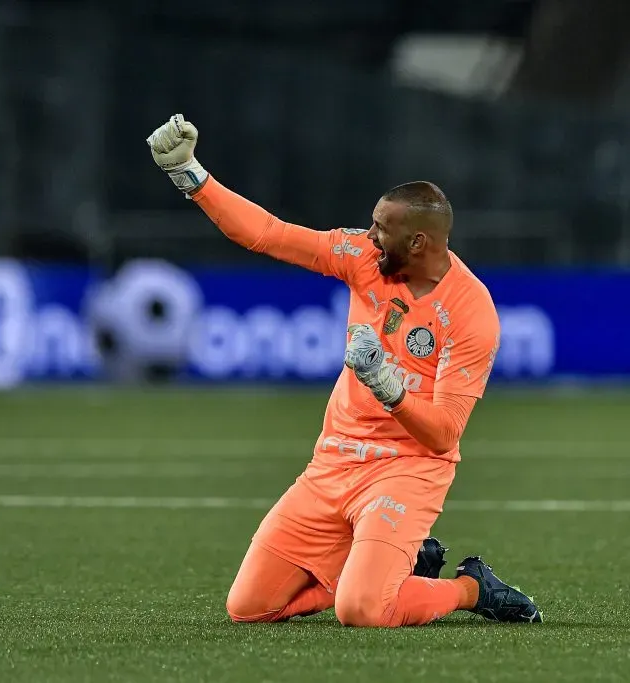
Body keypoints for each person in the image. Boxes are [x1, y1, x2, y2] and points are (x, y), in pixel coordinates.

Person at [146, 114, 542, 626]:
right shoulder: (361, 257)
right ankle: (391, 568)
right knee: (248, 608)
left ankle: (468, 588)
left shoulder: (471, 312)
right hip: (333, 461)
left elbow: (444, 437)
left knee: (363, 610)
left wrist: (387, 385)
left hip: (405, 469)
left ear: (418, 243)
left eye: (382, 229)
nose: (369, 235)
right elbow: (270, 234)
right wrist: (189, 174)